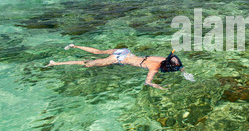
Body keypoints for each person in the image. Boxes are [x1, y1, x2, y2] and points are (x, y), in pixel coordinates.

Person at [46, 44, 184, 90]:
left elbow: (178, 65)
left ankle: (74, 46)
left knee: (97, 52)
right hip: (118, 59)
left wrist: (183, 72)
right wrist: (161, 87)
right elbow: (147, 82)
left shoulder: (160, 59)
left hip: (124, 52)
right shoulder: (154, 69)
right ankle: (55, 63)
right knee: (86, 64)